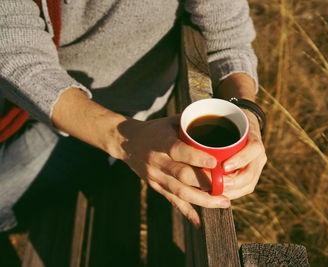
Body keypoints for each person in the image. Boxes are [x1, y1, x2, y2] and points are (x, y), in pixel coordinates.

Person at [0, 0, 267, 232]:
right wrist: (125, 140)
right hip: (28, 98)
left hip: (113, 124)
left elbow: (228, 42)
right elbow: (13, 49)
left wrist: (249, 115)